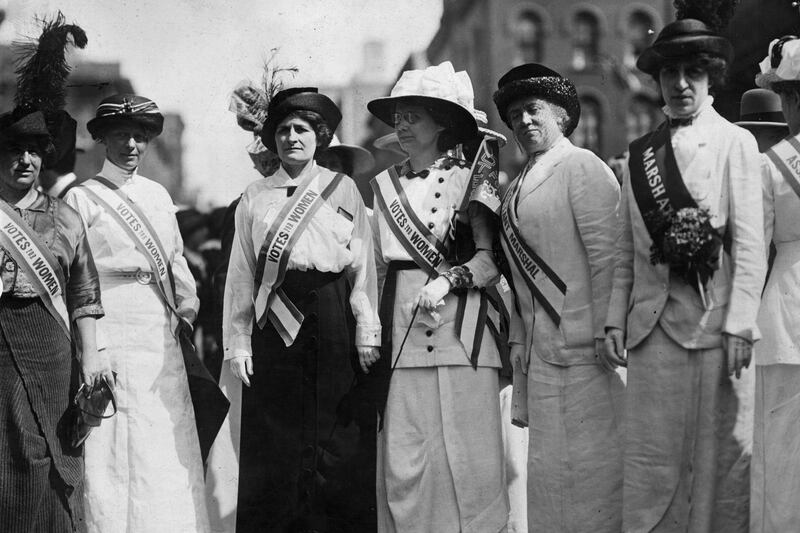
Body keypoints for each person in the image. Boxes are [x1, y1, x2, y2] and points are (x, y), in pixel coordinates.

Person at [604, 6, 766, 531]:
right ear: (657, 80)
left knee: (720, 461)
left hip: (716, 330)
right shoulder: (638, 157)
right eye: (669, 73)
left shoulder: (736, 143)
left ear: (710, 77)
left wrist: (741, 322)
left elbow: (750, 244)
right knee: (652, 464)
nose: (679, 84)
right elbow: (625, 252)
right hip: (652, 332)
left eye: (691, 73)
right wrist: (614, 320)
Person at [216, 86, 381, 532]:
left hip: (332, 314)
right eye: (284, 130)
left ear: (319, 137)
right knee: (276, 438)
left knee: (335, 435)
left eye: (302, 129)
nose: (292, 137)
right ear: (272, 139)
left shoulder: (343, 188)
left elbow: (362, 265)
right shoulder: (254, 196)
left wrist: (367, 329)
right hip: (275, 318)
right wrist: (239, 342)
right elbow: (241, 273)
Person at [368, 61, 509, 533]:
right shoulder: (383, 188)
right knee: (407, 457)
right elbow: (377, 267)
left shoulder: (471, 178)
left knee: (470, 455)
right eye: (399, 118)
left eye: (414, 117)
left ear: (442, 123)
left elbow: (489, 261)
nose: (403, 125)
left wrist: (447, 280)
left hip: (462, 333)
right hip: (403, 333)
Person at [64, 94, 210, 533]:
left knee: (160, 429)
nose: (131, 145)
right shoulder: (81, 198)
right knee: (110, 435)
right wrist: (91, 345)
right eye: (121, 135)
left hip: (156, 323)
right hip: (107, 316)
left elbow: (176, 260)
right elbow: (74, 275)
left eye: (139, 136)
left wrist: (186, 307)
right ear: (103, 140)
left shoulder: (158, 195)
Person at [493, 63, 624, 532]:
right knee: (550, 477)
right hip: (542, 354)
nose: (524, 121)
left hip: (589, 349)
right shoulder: (516, 186)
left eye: (533, 110)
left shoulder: (582, 166)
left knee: (593, 471)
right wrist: (519, 340)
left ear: (561, 115)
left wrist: (608, 329)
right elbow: (518, 281)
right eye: (514, 116)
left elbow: (609, 257)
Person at [749, 36, 800, 532]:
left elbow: (753, 252)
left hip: (784, 316)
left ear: (791, 99)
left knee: (781, 454)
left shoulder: (771, 164)